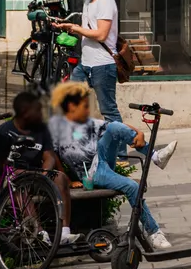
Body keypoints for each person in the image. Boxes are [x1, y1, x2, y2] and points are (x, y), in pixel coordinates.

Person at [47, 81, 177, 253]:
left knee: (114, 126)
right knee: (132, 186)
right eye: (84, 106)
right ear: (71, 107)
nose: (88, 110)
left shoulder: (88, 123)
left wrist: (138, 133)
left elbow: (115, 127)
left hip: (103, 158)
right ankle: (153, 232)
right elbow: (53, 156)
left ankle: (154, 156)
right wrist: (68, 180)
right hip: (93, 172)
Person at [0, 89, 76, 245]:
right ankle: (39, 233)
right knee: (18, 184)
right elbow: (0, 166)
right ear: (25, 113)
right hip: (11, 179)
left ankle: (64, 232)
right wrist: (23, 173)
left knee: (60, 178)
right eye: (38, 110)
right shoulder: (4, 132)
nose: (41, 113)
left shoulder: (41, 130)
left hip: (37, 175)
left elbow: (49, 156)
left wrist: (45, 172)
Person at [53, 0, 121, 123]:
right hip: (85, 64)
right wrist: (69, 27)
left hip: (102, 65)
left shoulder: (105, 1)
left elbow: (101, 35)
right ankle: (78, 136)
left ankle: (122, 139)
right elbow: (88, 32)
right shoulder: (89, 1)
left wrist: (76, 28)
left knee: (109, 111)